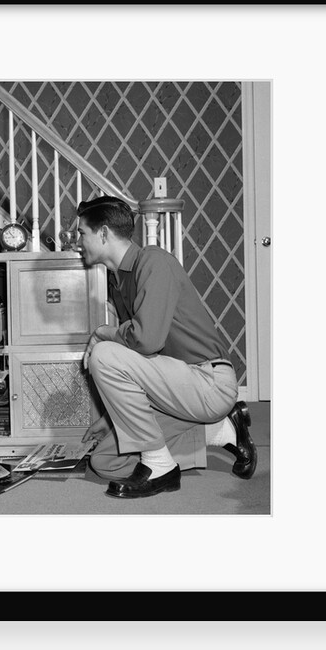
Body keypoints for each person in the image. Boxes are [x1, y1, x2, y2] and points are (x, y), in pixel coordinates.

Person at [76, 195, 257, 499]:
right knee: (104, 461)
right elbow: (139, 362)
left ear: (103, 233)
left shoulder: (153, 261)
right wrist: (112, 419)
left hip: (208, 382)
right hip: (176, 390)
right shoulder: (120, 282)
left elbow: (147, 340)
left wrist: (103, 333)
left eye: (82, 233)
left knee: (104, 354)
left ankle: (159, 466)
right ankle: (221, 431)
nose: (79, 242)